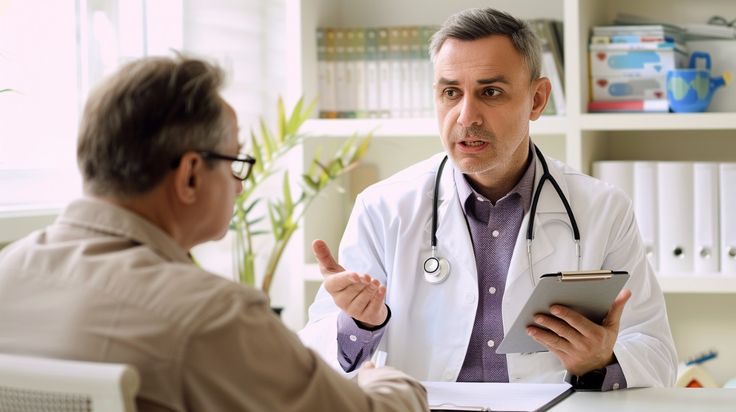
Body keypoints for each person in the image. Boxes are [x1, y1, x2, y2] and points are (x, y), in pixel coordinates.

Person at [0, 55, 428, 411]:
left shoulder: (10, 271)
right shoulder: (209, 315)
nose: (240, 184)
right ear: (189, 175)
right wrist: (389, 381)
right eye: (235, 160)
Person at [299, 8, 677, 391]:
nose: (466, 116)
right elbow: (315, 353)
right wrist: (360, 324)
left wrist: (599, 362)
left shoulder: (602, 209)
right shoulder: (383, 208)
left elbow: (657, 354)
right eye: (450, 93)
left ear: (537, 99)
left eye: (490, 92)